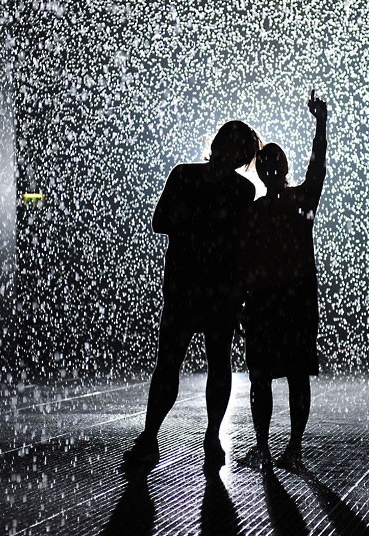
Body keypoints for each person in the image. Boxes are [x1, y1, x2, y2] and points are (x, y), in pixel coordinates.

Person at [122, 120, 260, 475]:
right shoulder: (240, 190)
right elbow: (242, 245)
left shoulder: (185, 176)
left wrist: (195, 223)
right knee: (212, 363)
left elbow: (162, 221)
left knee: (171, 364)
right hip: (215, 290)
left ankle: (152, 437)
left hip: (187, 286)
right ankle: (208, 438)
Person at [238, 90, 327, 472]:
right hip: (285, 298)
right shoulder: (292, 203)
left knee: (279, 376)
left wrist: (321, 124)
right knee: (285, 375)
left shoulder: (285, 203)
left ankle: (278, 448)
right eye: (267, 163)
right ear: (262, 170)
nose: (270, 169)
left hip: (280, 299)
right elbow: (246, 261)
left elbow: (318, 165)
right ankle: (284, 448)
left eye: (273, 162)